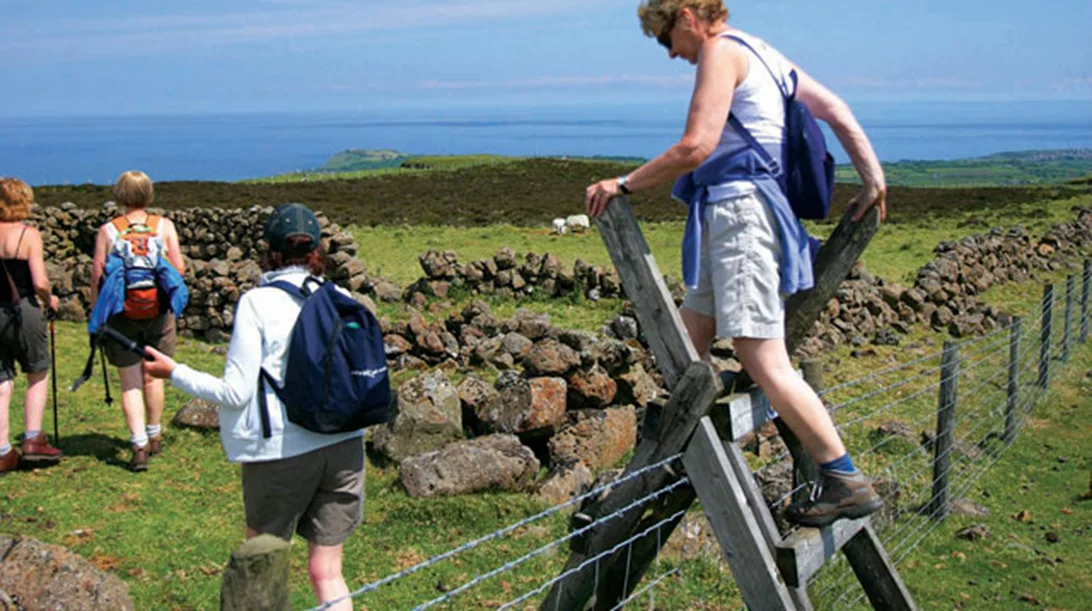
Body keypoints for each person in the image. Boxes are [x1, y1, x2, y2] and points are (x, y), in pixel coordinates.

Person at [585, 0, 888, 527]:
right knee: (687, 340)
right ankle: (667, 466)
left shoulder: (720, 53)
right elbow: (836, 108)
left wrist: (624, 184)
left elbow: (696, 146)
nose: (672, 55)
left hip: (740, 217)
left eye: (665, 40)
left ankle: (843, 477)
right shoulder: (765, 54)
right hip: (740, 216)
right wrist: (874, 178)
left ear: (684, 15)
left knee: (762, 357)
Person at [143, 203, 364, 610]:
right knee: (328, 572)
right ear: (316, 248)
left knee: (262, 565)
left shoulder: (257, 303)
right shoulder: (342, 296)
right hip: (345, 445)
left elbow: (235, 393)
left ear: (271, 251)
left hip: (281, 452)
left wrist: (174, 372)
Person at [90, 171, 185, 472]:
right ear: (149, 194)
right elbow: (178, 268)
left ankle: (138, 444)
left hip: (121, 315)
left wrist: (96, 315)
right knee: (153, 374)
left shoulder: (108, 231)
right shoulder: (164, 227)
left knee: (129, 382)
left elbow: (97, 275)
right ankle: (155, 435)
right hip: (158, 313)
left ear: (119, 195)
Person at [0, 178, 62, 475]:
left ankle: (2, 450)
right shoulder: (29, 235)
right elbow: (39, 282)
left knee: (1, 378)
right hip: (24, 309)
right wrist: (50, 300)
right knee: (37, 371)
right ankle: (32, 439)